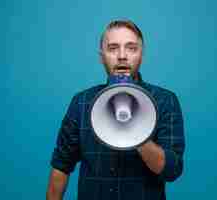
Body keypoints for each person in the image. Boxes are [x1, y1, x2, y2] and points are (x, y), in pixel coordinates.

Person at [46, 19, 185, 200]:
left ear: (141, 55)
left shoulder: (165, 101)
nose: (122, 56)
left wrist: (137, 133)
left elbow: (172, 170)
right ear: (101, 56)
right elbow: (61, 166)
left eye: (131, 48)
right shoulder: (81, 103)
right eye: (113, 48)